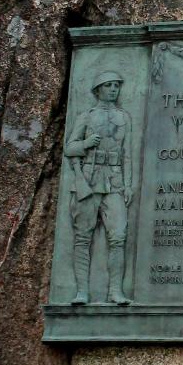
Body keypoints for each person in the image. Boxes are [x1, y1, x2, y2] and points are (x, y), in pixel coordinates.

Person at [64, 69, 133, 305]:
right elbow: (69, 148)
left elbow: (128, 155)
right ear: (98, 89)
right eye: (108, 85)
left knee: (118, 237)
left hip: (114, 181)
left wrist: (129, 185)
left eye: (117, 85)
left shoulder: (124, 117)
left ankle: (115, 292)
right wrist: (85, 143)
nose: (114, 89)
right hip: (89, 179)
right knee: (83, 237)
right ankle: (82, 292)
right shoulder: (86, 116)